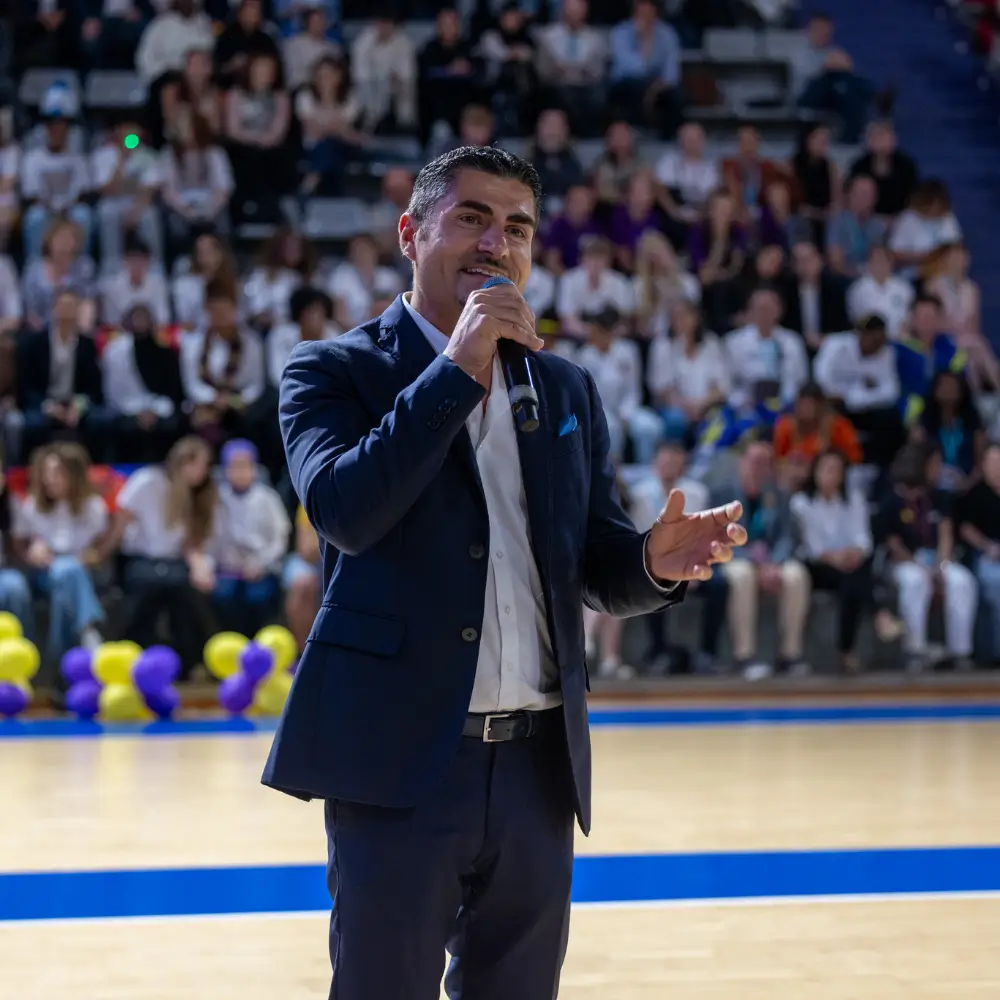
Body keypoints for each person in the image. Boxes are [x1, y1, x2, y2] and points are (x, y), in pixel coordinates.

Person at [262, 145, 746, 1000]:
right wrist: (456, 369)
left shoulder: (564, 389)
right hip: (402, 761)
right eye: (473, 218)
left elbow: (591, 564)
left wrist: (650, 563)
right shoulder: (332, 370)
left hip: (536, 768)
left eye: (517, 227)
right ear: (410, 234)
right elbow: (345, 511)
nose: (497, 243)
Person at [713, 439, 811, 679]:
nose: (759, 468)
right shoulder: (722, 494)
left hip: (770, 561)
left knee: (797, 576)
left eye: (766, 463)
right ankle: (744, 656)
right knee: (743, 576)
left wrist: (774, 564)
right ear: (742, 462)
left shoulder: (778, 494)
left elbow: (786, 536)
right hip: (734, 557)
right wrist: (756, 563)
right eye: (755, 461)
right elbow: (717, 538)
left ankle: (790, 656)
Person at [877, 443, 977, 671]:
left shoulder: (939, 497)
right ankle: (914, 650)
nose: (939, 470)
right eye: (935, 464)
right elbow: (893, 543)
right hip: (903, 562)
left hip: (937, 558)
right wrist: (921, 568)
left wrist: (940, 566)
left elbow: (945, 533)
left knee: (962, 581)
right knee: (915, 581)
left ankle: (960, 652)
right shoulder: (892, 499)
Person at [631, 441, 728, 674]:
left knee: (719, 585)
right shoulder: (639, 495)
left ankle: (708, 653)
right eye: (665, 463)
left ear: (683, 466)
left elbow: (703, 538)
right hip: (654, 564)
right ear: (655, 465)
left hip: (690, 563)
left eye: (675, 463)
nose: (669, 468)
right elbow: (639, 538)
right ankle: (658, 652)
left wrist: (693, 568)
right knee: (651, 583)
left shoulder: (697, 493)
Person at [9, 442, 108, 662]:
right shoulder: (32, 506)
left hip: (83, 571)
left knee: (68, 574)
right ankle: (88, 630)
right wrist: (30, 553)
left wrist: (93, 555)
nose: (50, 479)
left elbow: (100, 546)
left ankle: (62, 658)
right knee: (67, 570)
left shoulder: (93, 506)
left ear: (74, 475)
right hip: (43, 572)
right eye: (46, 473)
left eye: (58, 473)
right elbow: (20, 545)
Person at [790, 450, 874, 673]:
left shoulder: (853, 499)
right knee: (853, 580)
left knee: (854, 578)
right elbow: (812, 548)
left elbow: (863, 539)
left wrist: (853, 554)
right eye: (827, 469)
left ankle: (847, 650)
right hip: (817, 565)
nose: (832, 475)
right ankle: (876, 617)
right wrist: (835, 558)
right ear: (815, 472)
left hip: (848, 563)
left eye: (837, 470)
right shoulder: (802, 502)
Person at [211, 440, 291, 636]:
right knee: (223, 597)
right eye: (235, 466)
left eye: (245, 466)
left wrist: (261, 564)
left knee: (258, 597)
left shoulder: (267, 497)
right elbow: (210, 538)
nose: (240, 472)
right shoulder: (216, 498)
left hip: (261, 568)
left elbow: (280, 538)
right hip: (226, 570)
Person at [956, 443, 1000, 663]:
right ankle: (994, 652)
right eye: (992, 462)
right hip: (986, 554)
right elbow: (965, 528)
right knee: (996, 582)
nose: (996, 467)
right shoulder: (975, 494)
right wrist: (988, 546)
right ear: (983, 466)